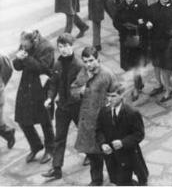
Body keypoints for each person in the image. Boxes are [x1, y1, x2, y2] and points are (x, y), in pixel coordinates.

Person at [72, 46, 117, 186]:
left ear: (98, 59)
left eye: (91, 61)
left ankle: (116, 179)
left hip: (103, 122)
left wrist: (111, 102)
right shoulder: (84, 73)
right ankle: (96, 180)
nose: (88, 64)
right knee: (92, 155)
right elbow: (73, 89)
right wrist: (81, 90)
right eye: (85, 61)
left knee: (109, 154)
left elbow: (117, 93)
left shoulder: (107, 74)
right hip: (87, 121)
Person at [42, 34, 84, 181]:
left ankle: (92, 156)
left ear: (72, 46)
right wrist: (49, 98)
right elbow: (53, 84)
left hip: (77, 107)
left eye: (66, 46)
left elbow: (82, 87)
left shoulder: (79, 65)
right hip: (62, 107)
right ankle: (57, 168)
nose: (64, 50)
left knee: (84, 132)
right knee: (59, 138)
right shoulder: (57, 65)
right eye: (61, 47)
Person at [13, 30, 54, 163]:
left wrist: (26, 58)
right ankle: (36, 145)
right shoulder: (25, 44)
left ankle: (50, 149)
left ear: (33, 41)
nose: (23, 47)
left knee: (45, 120)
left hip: (42, 86)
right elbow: (17, 67)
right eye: (22, 45)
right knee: (21, 118)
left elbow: (42, 68)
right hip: (26, 86)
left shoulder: (47, 47)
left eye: (25, 46)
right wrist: (18, 59)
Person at [95, 84, 148, 186]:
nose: (110, 99)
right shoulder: (103, 112)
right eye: (108, 96)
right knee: (117, 180)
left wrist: (123, 142)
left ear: (122, 96)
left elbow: (139, 134)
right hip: (112, 155)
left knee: (139, 178)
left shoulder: (132, 113)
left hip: (130, 153)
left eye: (113, 96)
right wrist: (102, 144)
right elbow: (98, 130)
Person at [113, 0, 147, 101]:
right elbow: (116, 22)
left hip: (138, 39)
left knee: (136, 63)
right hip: (126, 40)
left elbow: (145, 19)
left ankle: (136, 87)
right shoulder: (120, 7)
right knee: (130, 64)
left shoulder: (140, 4)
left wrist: (137, 26)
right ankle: (139, 83)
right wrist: (124, 28)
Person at [0, 51, 16, 150]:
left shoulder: (1, 57)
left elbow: (8, 70)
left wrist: (1, 84)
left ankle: (8, 133)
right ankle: (7, 132)